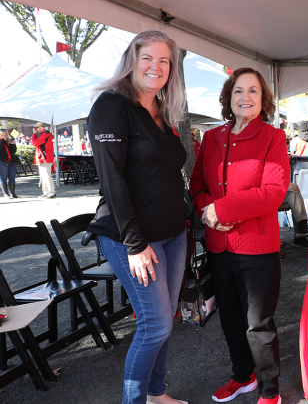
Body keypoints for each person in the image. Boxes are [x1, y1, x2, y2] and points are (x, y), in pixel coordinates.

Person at [87, 30, 188, 404]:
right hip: (131, 238)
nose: (156, 67)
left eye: (164, 61)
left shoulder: (163, 111)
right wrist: (135, 243)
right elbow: (111, 180)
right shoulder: (112, 106)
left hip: (174, 234)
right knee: (154, 323)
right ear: (132, 59)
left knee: (165, 321)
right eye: (148, 57)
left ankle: (156, 394)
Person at [189, 67, 289, 404]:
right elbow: (198, 186)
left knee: (257, 324)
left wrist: (223, 210)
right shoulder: (211, 138)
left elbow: (274, 192)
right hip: (219, 246)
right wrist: (208, 212)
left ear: (264, 100)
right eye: (238, 91)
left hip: (257, 248)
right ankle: (241, 376)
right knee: (230, 318)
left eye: (253, 91)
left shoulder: (273, 138)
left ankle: (270, 391)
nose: (244, 97)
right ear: (228, 97)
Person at [279, 182, 308, 249]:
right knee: (291, 190)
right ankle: (301, 230)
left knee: (293, 191)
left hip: (273, 195)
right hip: (261, 199)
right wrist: (283, 187)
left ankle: (301, 233)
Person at [31, 122, 56, 198]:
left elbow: (35, 143)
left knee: (46, 176)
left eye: (36, 128)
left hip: (45, 158)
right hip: (44, 158)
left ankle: (51, 192)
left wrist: (34, 134)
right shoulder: (44, 135)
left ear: (41, 128)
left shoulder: (44, 135)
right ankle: (46, 192)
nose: (35, 130)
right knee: (43, 176)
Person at [0, 129, 18, 198]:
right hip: (2, 162)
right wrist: (2, 142)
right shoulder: (1, 142)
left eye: (5, 135)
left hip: (11, 162)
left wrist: (13, 144)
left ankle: (13, 193)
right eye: (2, 135)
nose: (4, 137)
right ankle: (6, 193)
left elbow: (13, 151)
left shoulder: (8, 141)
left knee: (12, 177)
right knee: (3, 178)